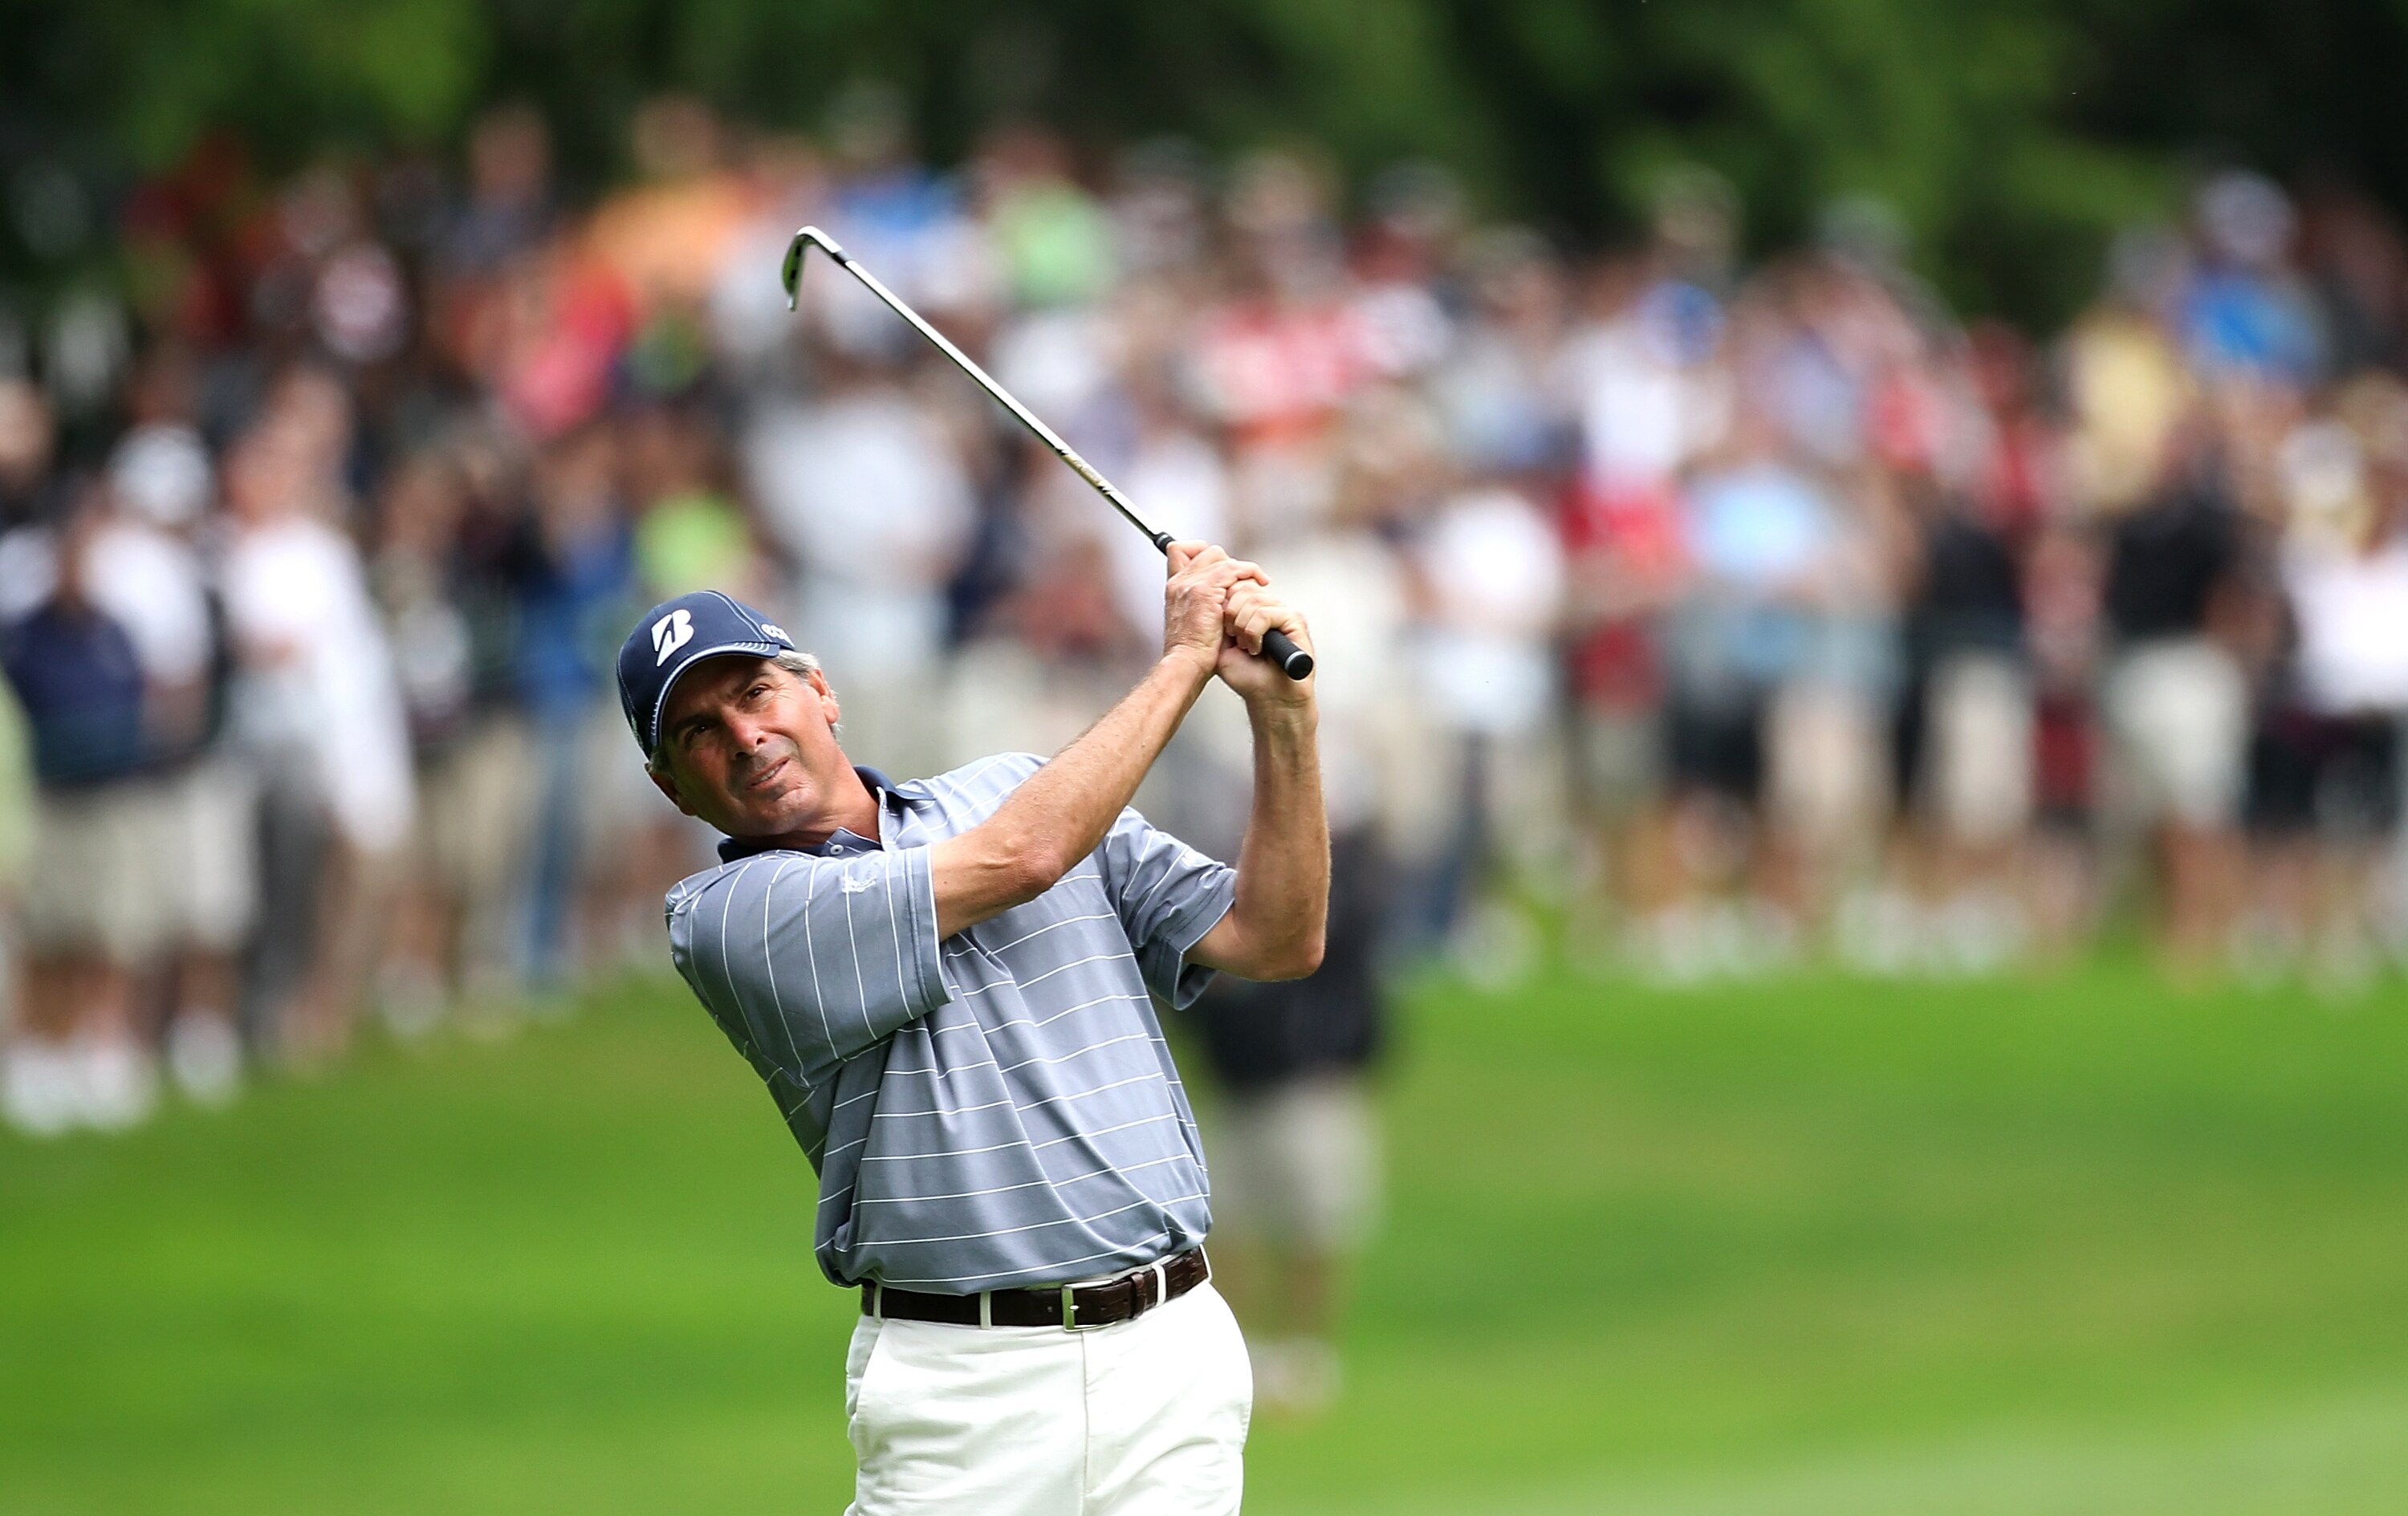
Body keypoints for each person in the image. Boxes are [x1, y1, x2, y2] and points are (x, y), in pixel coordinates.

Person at [617, 543, 1327, 1515]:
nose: (744, 734)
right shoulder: (730, 916)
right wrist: (1184, 660)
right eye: (699, 729)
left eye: (756, 692)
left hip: (1172, 1354)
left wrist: (1284, 720)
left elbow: (1275, 934)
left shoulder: (1017, 785)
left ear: (820, 690)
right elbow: (1025, 856)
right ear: (670, 784)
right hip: (966, 1385)